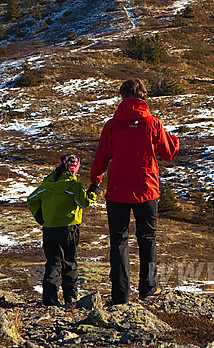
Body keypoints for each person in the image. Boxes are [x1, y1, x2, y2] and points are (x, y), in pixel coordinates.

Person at [89, 78, 180, 304]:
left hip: (117, 192)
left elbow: (101, 158)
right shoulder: (153, 124)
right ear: (143, 97)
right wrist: (175, 139)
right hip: (146, 190)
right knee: (147, 239)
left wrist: (95, 181)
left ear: (122, 97)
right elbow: (169, 153)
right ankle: (149, 288)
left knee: (118, 241)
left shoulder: (112, 125)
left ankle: (120, 294)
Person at [27, 154, 96, 307]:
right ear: (76, 168)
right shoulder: (74, 186)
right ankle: (70, 298)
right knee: (69, 261)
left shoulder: (46, 185)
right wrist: (93, 192)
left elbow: (31, 200)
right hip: (69, 228)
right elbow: (83, 202)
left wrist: (41, 217)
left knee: (53, 262)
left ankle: (49, 297)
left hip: (50, 228)